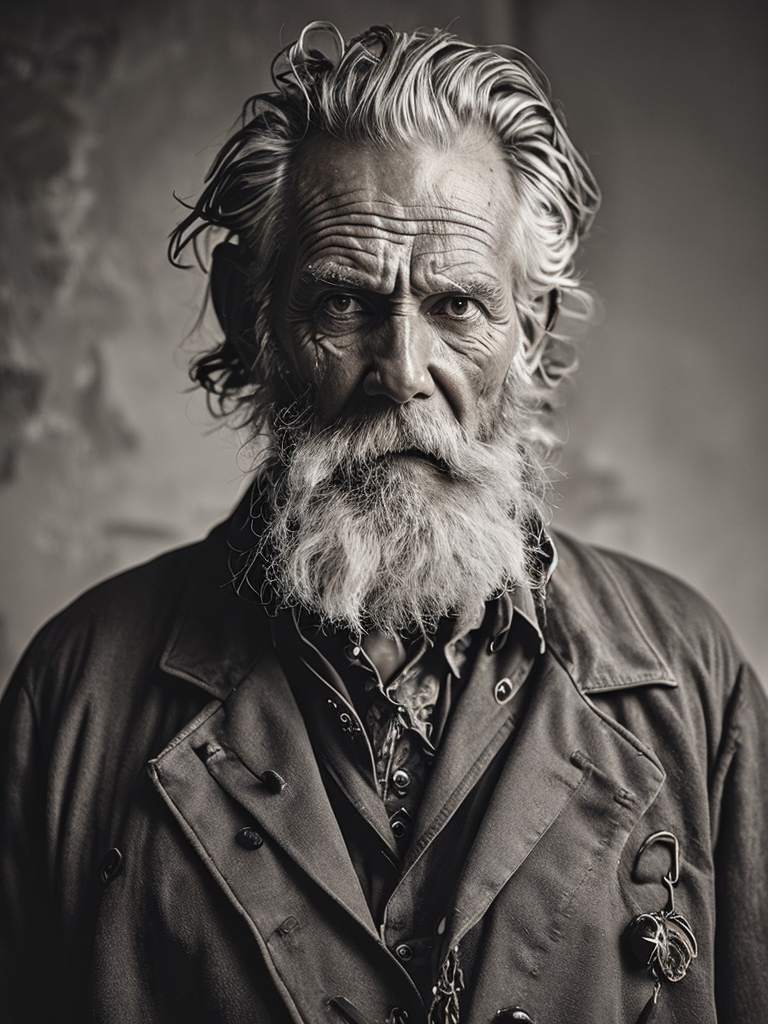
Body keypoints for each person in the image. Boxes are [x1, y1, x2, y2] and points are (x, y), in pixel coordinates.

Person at [1, 21, 766, 1024]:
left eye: (458, 306)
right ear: (248, 315)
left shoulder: (691, 682)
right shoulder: (76, 698)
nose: (403, 370)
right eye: (344, 303)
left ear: (530, 332)